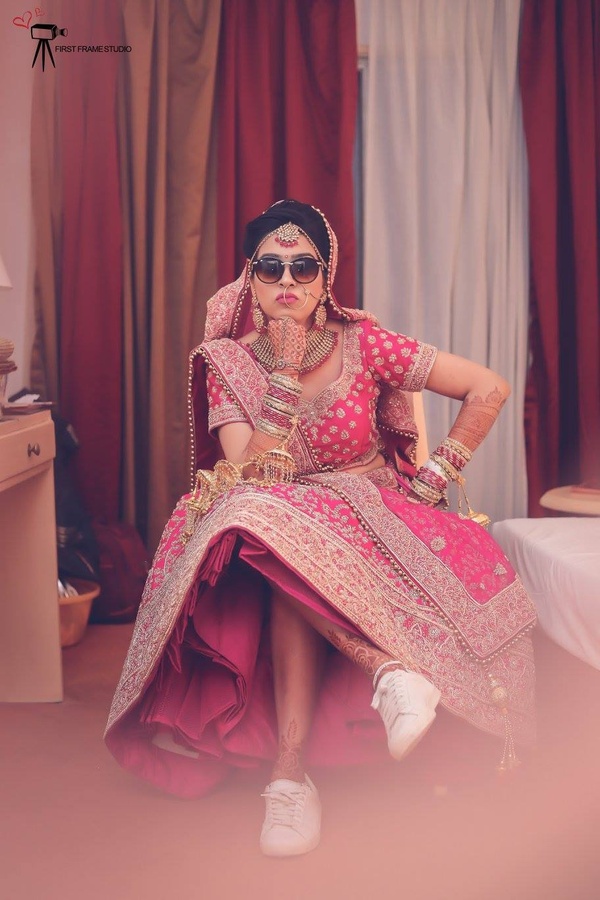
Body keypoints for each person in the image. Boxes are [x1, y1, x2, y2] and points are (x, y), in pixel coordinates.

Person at [105, 199, 536, 857]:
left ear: (324, 278)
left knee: (277, 536)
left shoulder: (364, 344)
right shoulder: (227, 361)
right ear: (249, 279)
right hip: (274, 522)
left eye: (303, 267)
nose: (287, 281)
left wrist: (432, 480)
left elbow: (489, 387)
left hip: (370, 515)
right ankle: (382, 678)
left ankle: (292, 774)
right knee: (267, 523)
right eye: (270, 267)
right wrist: (281, 374)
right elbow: (247, 472)